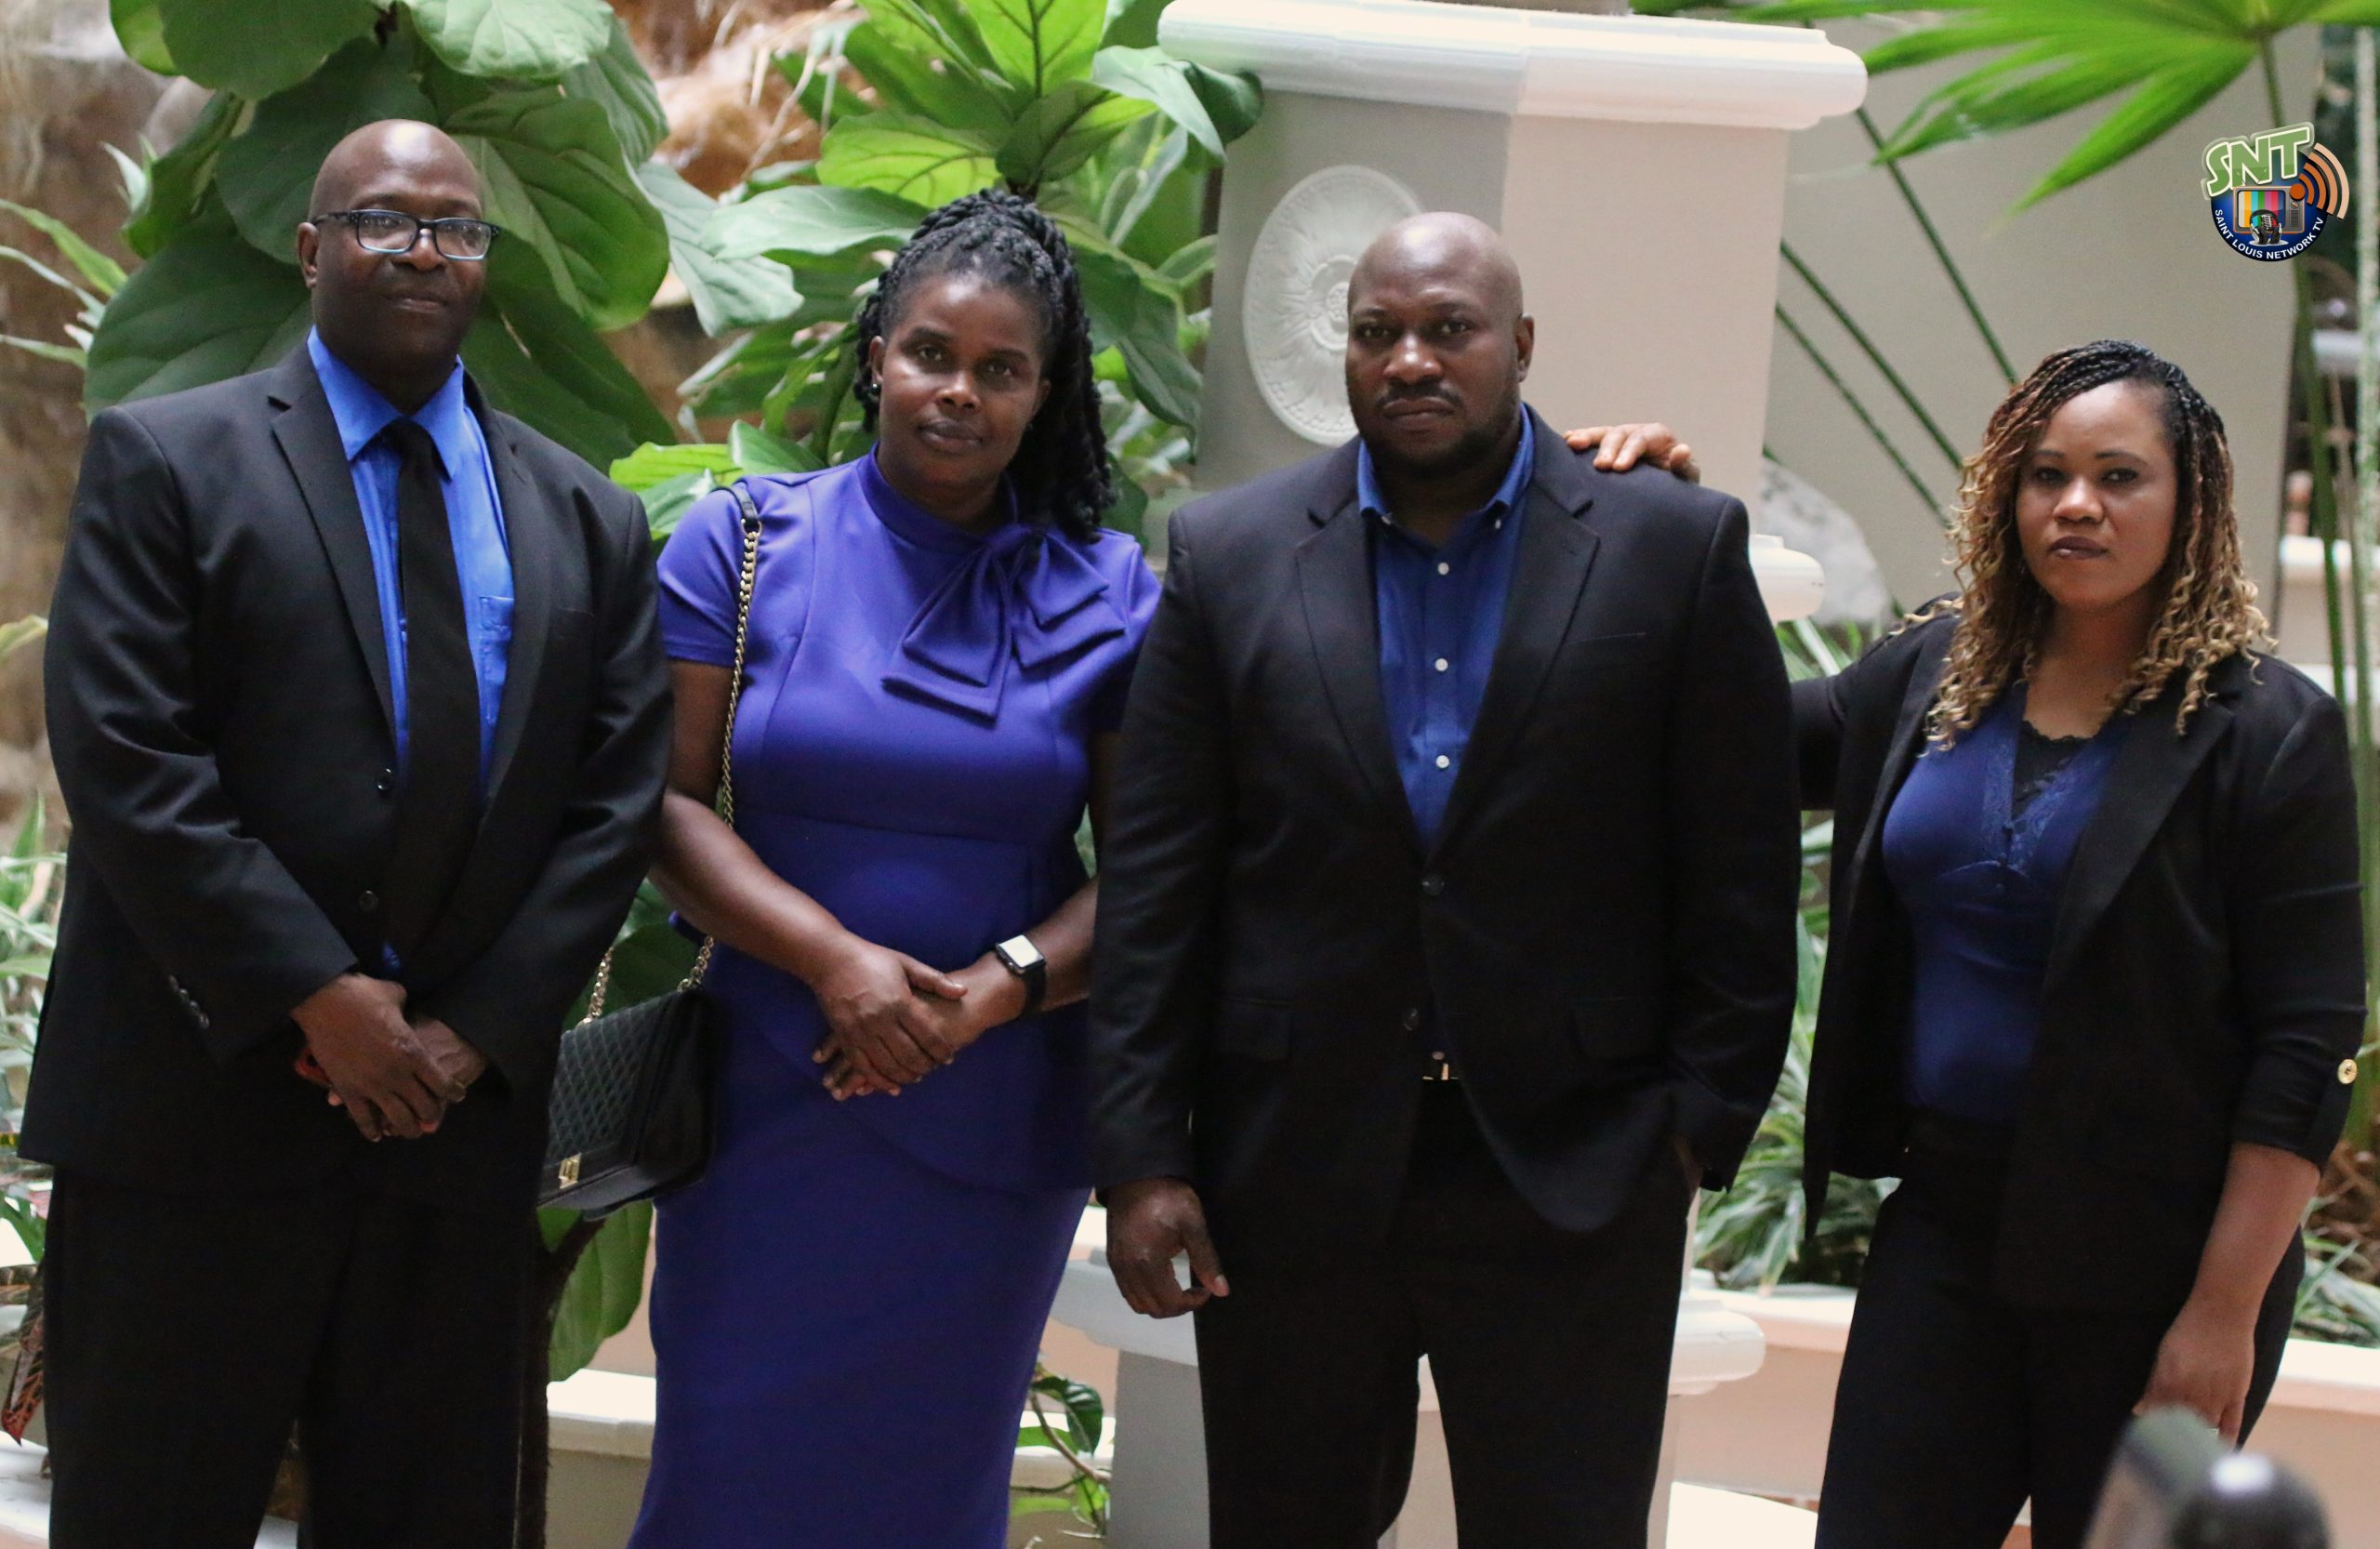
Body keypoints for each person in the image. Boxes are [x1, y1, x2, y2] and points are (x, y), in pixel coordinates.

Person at [1572, 340, 2365, 1549]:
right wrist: (1662, 527)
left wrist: (2221, 1313)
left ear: (2192, 501)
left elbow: (2305, 1046)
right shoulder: (1937, 671)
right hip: (1946, 1228)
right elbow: (1734, 740)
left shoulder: (2267, 731)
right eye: (2047, 475)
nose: (2076, 504)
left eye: (2118, 476)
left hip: (2157, 1259)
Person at [1087, 212, 1803, 1548]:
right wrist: (1140, 1156)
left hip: (1575, 1172)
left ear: (1520, 345)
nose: (1410, 359)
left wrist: (1692, 1129)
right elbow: (1157, 882)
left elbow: (1741, 867)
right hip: (1293, 1170)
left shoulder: (1672, 545)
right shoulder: (1231, 554)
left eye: (1449, 330)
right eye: (1378, 332)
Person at [33, 120, 671, 1547]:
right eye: (384, 220)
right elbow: (129, 756)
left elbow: (613, 800)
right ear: (310, 248)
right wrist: (318, 996)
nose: (423, 251)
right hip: (194, 1122)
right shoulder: (167, 459)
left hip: (447, 1141)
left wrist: (475, 1032)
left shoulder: (588, 517)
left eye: (456, 228)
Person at [627, 189, 1157, 1549]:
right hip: (766, 1098)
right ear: (877, 356)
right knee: (727, 1473)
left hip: (989, 1113)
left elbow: (1149, 869)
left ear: (1045, 392)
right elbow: (665, 808)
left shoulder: (1109, 591)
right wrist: (833, 963)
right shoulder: (743, 543)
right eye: (930, 352)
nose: (958, 391)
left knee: (928, 1490)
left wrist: (989, 992)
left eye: (1000, 368)